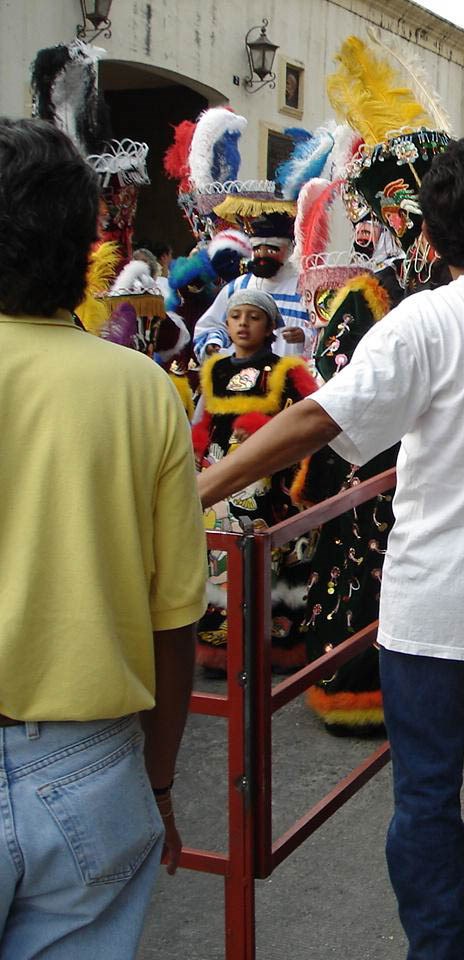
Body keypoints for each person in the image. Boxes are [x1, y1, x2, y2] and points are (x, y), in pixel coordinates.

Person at [195, 139, 464, 956]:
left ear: (429, 236)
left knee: (424, 790)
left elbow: (318, 420)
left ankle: (438, 948)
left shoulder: (420, 322)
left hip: (430, 596)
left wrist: (194, 489)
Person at [0, 118, 205, 955]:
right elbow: (176, 621)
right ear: (88, 244)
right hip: (88, 767)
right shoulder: (144, 391)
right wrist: (156, 783)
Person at [191, 290, 319, 674]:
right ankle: (221, 649)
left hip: (270, 479)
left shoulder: (285, 371)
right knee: (221, 558)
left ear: (269, 327)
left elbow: (313, 415)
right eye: (236, 316)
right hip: (218, 482)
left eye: (254, 317)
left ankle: (277, 647)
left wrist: (266, 431)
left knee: (272, 557)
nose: (243, 324)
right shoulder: (213, 369)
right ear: (226, 324)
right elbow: (205, 422)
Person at [192, 206, 309, 359]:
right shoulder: (239, 287)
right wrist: (214, 343)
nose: (262, 255)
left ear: (287, 252)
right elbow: (211, 325)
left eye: (271, 250)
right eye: (257, 249)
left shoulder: (305, 288)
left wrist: (304, 336)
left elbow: (325, 334)